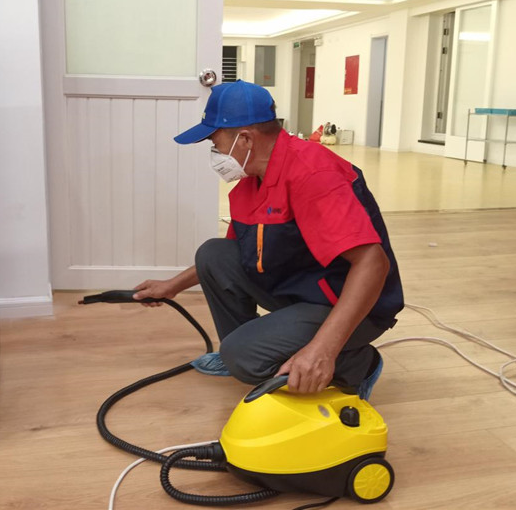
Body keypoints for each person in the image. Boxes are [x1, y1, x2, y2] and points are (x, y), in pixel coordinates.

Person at [134, 80, 403, 398]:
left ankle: (358, 364)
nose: (215, 153)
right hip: (303, 290)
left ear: (245, 138)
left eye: (215, 142)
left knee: (243, 357)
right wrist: (172, 286)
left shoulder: (314, 174)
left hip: (351, 303)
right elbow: (234, 254)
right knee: (214, 254)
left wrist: (323, 349)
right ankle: (252, 350)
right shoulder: (252, 182)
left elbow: (373, 263)